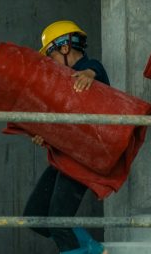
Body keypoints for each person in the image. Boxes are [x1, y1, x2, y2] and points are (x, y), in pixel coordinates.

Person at [23, 20, 109, 254]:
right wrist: (45, 136)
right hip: (65, 155)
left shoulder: (89, 71)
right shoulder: (63, 82)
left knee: (59, 220)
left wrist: (90, 74)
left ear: (64, 48)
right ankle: (89, 246)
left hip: (83, 158)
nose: (49, 63)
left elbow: (97, 69)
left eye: (49, 55)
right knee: (34, 216)